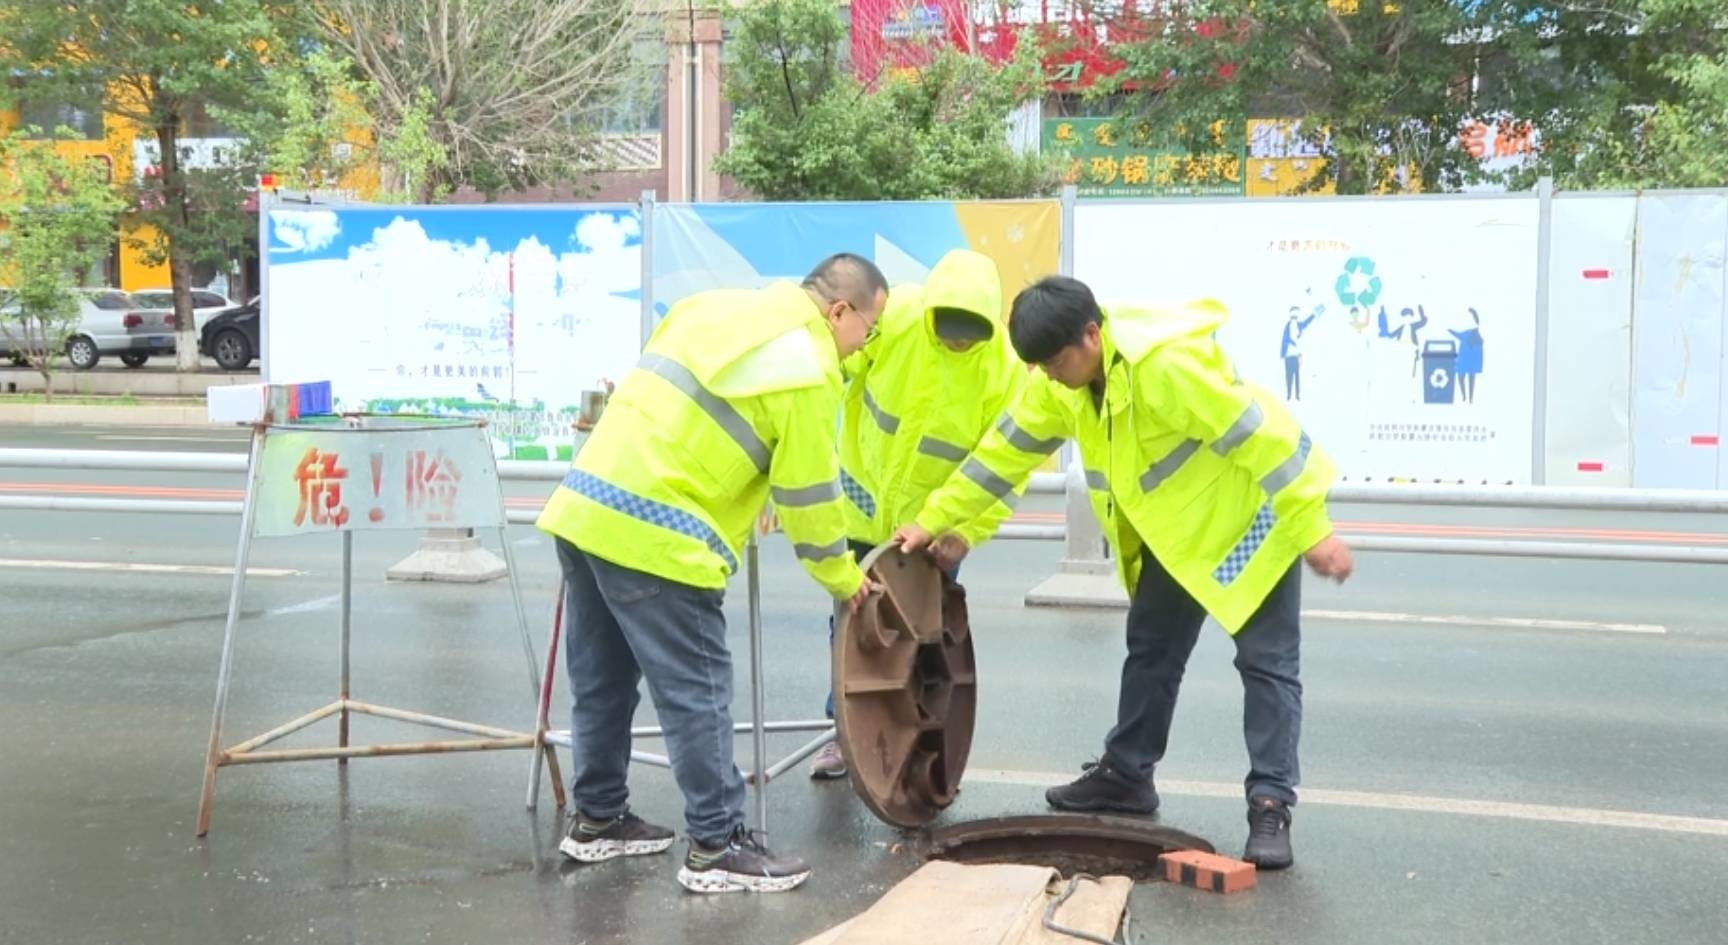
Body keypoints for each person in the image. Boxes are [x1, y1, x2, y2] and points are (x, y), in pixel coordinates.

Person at [896, 276, 1354, 871]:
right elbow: (999, 455)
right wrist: (932, 521)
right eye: (1040, 367)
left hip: (1247, 529)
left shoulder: (1165, 367)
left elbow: (1262, 435)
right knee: (1151, 654)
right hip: (1175, 539)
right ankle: (1127, 776)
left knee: (1266, 665)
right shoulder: (1058, 385)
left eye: (1058, 362)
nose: (1051, 376)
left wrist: (1313, 527)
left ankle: (1270, 802)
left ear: (1093, 334)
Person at [535, 253, 889, 894]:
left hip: (584, 507)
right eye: (869, 328)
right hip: (660, 534)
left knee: (603, 683)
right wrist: (844, 578)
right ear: (840, 311)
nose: (865, 345)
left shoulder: (711, 309)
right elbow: (810, 501)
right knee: (696, 692)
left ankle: (598, 817)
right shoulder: (807, 368)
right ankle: (717, 844)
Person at [808, 249, 1027, 780]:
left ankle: (914, 741)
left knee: (922, 638)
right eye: (948, 328)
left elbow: (1005, 471)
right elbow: (838, 364)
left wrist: (966, 533)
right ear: (930, 310)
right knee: (855, 632)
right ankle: (847, 737)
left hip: (934, 537)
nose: (956, 341)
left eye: (968, 333)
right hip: (861, 518)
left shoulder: (1004, 371)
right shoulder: (898, 319)